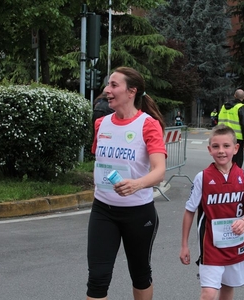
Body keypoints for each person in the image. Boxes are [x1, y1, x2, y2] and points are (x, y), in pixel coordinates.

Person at [87, 66, 167, 300]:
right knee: (97, 278)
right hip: (103, 210)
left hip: (138, 213)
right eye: (108, 85)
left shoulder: (148, 124)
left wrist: (137, 184)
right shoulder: (101, 124)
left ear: (131, 91)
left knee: (140, 274)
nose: (106, 90)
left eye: (113, 85)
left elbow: (159, 170)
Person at [180, 124, 244, 300]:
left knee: (227, 287)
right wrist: (184, 244)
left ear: (236, 148)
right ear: (209, 150)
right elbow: (189, 211)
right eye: (216, 146)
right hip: (210, 247)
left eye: (226, 146)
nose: (221, 151)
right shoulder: (203, 177)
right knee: (208, 293)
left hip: (234, 245)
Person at [218, 89, 244, 168]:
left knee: (224, 158)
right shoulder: (241, 107)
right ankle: (234, 177)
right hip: (237, 138)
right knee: (237, 161)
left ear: (235, 96)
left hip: (223, 136)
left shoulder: (224, 106)